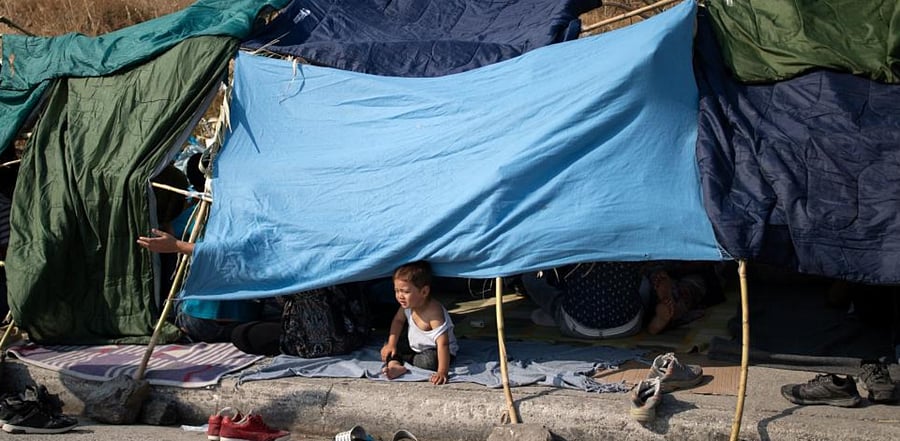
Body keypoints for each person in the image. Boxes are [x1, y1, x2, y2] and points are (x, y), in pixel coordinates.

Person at [380, 261, 459, 385]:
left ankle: (404, 360)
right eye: (397, 291)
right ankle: (395, 365)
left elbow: (443, 343)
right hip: (415, 345)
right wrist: (391, 344)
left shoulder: (434, 312)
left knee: (428, 362)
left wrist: (442, 371)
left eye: (405, 292)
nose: (400, 296)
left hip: (436, 350)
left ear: (424, 292)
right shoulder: (406, 306)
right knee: (391, 343)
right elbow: (398, 321)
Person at [521, 262, 647, 339]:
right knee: (646, 283)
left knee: (529, 278)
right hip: (628, 325)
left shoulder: (571, 238)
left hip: (576, 326)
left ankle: (555, 315)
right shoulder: (630, 239)